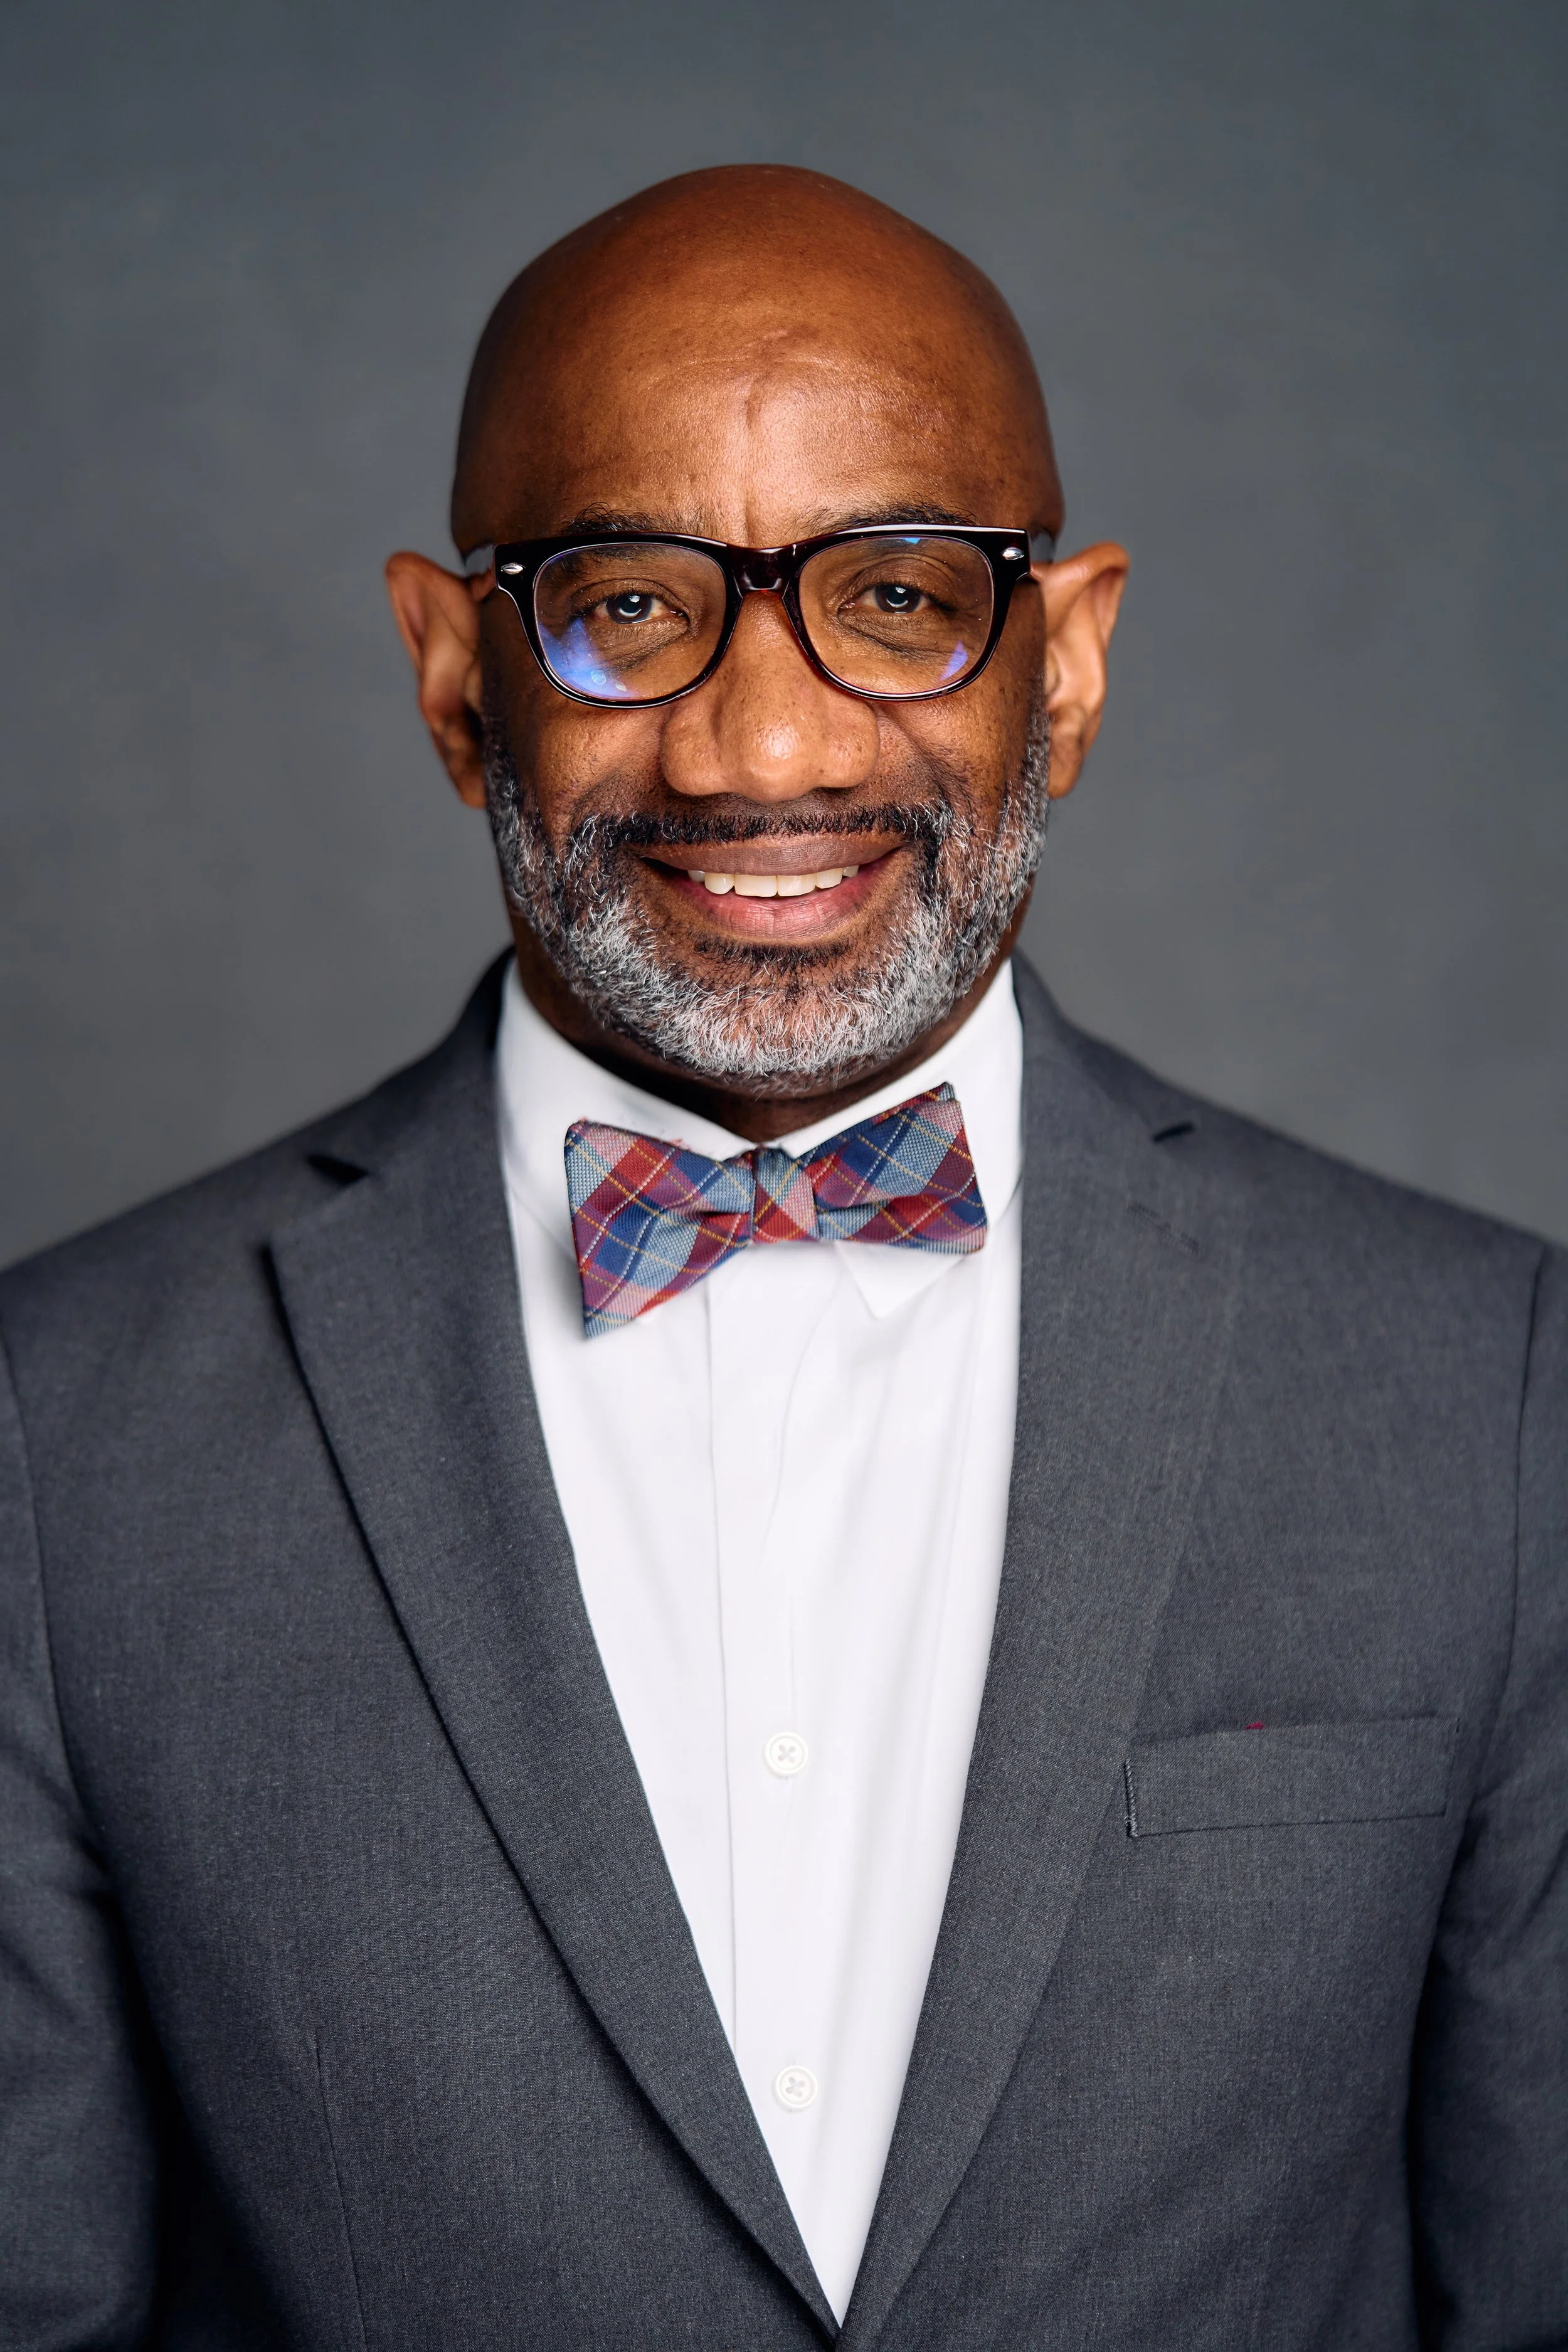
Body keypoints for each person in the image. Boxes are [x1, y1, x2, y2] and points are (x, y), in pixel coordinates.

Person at [0, 164, 1562, 2351]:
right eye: (629, 604)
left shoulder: (1488, 1388)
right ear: (456, 680)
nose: (766, 743)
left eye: (902, 591)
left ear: (1071, 663)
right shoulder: (52, 1440)